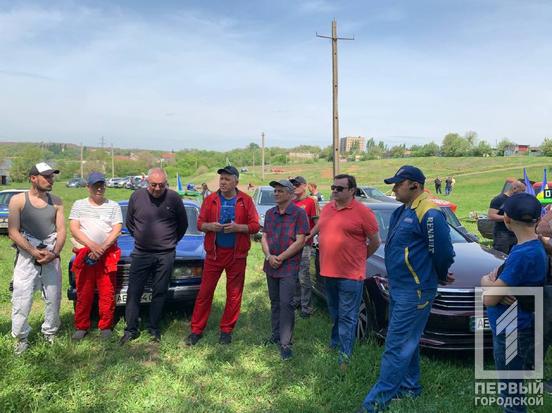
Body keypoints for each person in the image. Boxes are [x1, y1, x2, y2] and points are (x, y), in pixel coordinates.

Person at [359, 165, 455, 413]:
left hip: (415, 291)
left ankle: (375, 403)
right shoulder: (402, 211)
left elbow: (443, 252)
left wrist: (438, 273)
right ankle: (410, 388)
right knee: (407, 340)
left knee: (396, 345)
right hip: (399, 287)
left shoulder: (430, 213)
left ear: (414, 185)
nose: (393, 189)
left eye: (398, 184)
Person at [481, 193, 546, 413]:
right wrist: (492, 284)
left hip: (512, 329)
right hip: (516, 325)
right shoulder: (530, 247)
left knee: (510, 389)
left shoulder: (523, 255)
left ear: (507, 220)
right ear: (538, 219)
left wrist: (487, 282)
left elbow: (488, 298)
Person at [187, 166, 260, 346]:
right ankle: (196, 330)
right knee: (205, 292)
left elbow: (255, 226)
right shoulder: (211, 199)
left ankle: (226, 330)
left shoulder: (245, 200)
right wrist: (210, 226)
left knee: (234, 294)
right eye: (221, 179)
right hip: (214, 253)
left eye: (227, 179)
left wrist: (238, 228)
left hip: (237, 255)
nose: (223, 182)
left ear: (236, 181)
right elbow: (200, 224)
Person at [315, 174, 380, 370]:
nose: (334, 191)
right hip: (328, 272)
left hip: (351, 275)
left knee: (347, 316)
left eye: (340, 188)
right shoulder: (328, 208)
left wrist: (359, 259)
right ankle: (335, 343)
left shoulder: (363, 212)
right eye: (333, 187)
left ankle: (345, 356)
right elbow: (319, 229)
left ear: (352, 190)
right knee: (335, 312)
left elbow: (375, 241)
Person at [120, 168, 188, 344]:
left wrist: (170, 241)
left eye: (161, 185)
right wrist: (142, 238)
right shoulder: (136, 197)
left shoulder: (174, 198)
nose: (157, 188)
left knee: (159, 291)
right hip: (141, 253)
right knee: (134, 291)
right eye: (153, 185)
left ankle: (154, 328)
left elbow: (183, 224)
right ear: (146, 182)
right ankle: (131, 330)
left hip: (165, 254)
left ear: (166, 183)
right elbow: (130, 223)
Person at [8, 162, 66, 355]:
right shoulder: (18, 200)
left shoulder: (56, 201)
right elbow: (13, 231)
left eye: (52, 176)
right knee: (21, 297)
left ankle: (50, 333)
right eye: (47, 176)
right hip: (26, 258)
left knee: (53, 297)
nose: (51, 180)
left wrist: (54, 253)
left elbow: (61, 230)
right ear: (33, 178)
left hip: (51, 256)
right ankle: (21, 338)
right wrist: (33, 251)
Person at [69, 172, 123, 340]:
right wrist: (92, 246)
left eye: (102, 185)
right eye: (95, 185)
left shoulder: (113, 206)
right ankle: (81, 326)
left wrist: (102, 247)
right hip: (85, 254)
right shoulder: (78, 205)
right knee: (83, 291)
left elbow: (117, 229)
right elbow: (74, 228)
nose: (99, 188)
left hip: (107, 254)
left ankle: (105, 326)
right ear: (88, 187)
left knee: (107, 292)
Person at [261, 179, 309, 360]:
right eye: (275, 191)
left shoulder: (299, 213)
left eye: (280, 191)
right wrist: (269, 256)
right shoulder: (270, 213)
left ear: (290, 193)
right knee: (274, 301)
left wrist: (280, 257)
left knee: (286, 303)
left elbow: (300, 240)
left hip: (288, 266)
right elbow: (264, 237)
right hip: (271, 264)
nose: (276, 193)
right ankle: (275, 335)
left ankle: (285, 343)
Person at [289, 176, 318, 318]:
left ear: (305, 186)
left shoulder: (311, 202)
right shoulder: (291, 202)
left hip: (305, 246)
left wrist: (307, 236)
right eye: (293, 184)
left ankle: (306, 308)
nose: (294, 186)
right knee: (293, 275)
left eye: (297, 184)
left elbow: (318, 224)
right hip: (291, 245)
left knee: (303, 276)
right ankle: (296, 301)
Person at [488, 180, 526, 254]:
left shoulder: (518, 200)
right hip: (502, 234)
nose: (524, 193)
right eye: (522, 191)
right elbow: (491, 216)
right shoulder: (499, 199)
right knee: (501, 256)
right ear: (514, 189)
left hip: (516, 233)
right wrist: (508, 217)